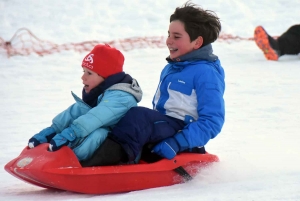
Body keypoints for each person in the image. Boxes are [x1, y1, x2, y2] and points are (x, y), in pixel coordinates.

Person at [80, 1, 225, 167]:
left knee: (139, 118)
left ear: (197, 42)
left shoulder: (206, 73)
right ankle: (84, 150)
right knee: (123, 113)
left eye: (176, 37)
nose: (169, 41)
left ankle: (97, 164)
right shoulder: (172, 68)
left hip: (182, 134)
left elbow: (212, 121)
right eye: (169, 34)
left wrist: (178, 142)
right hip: (165, 127)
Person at [27, 44, 143, 162]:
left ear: (105, 77)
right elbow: (77, 112)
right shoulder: (101, 93)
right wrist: (53, 131)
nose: (83, 77)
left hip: (126, 150)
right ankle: (56, 143)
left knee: (98, 134)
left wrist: (70, 134)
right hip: (108, 149)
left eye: (89, 73)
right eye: (84, 71)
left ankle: (66, 158)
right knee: (81, 111)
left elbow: (94, 118)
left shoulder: (122, 97)